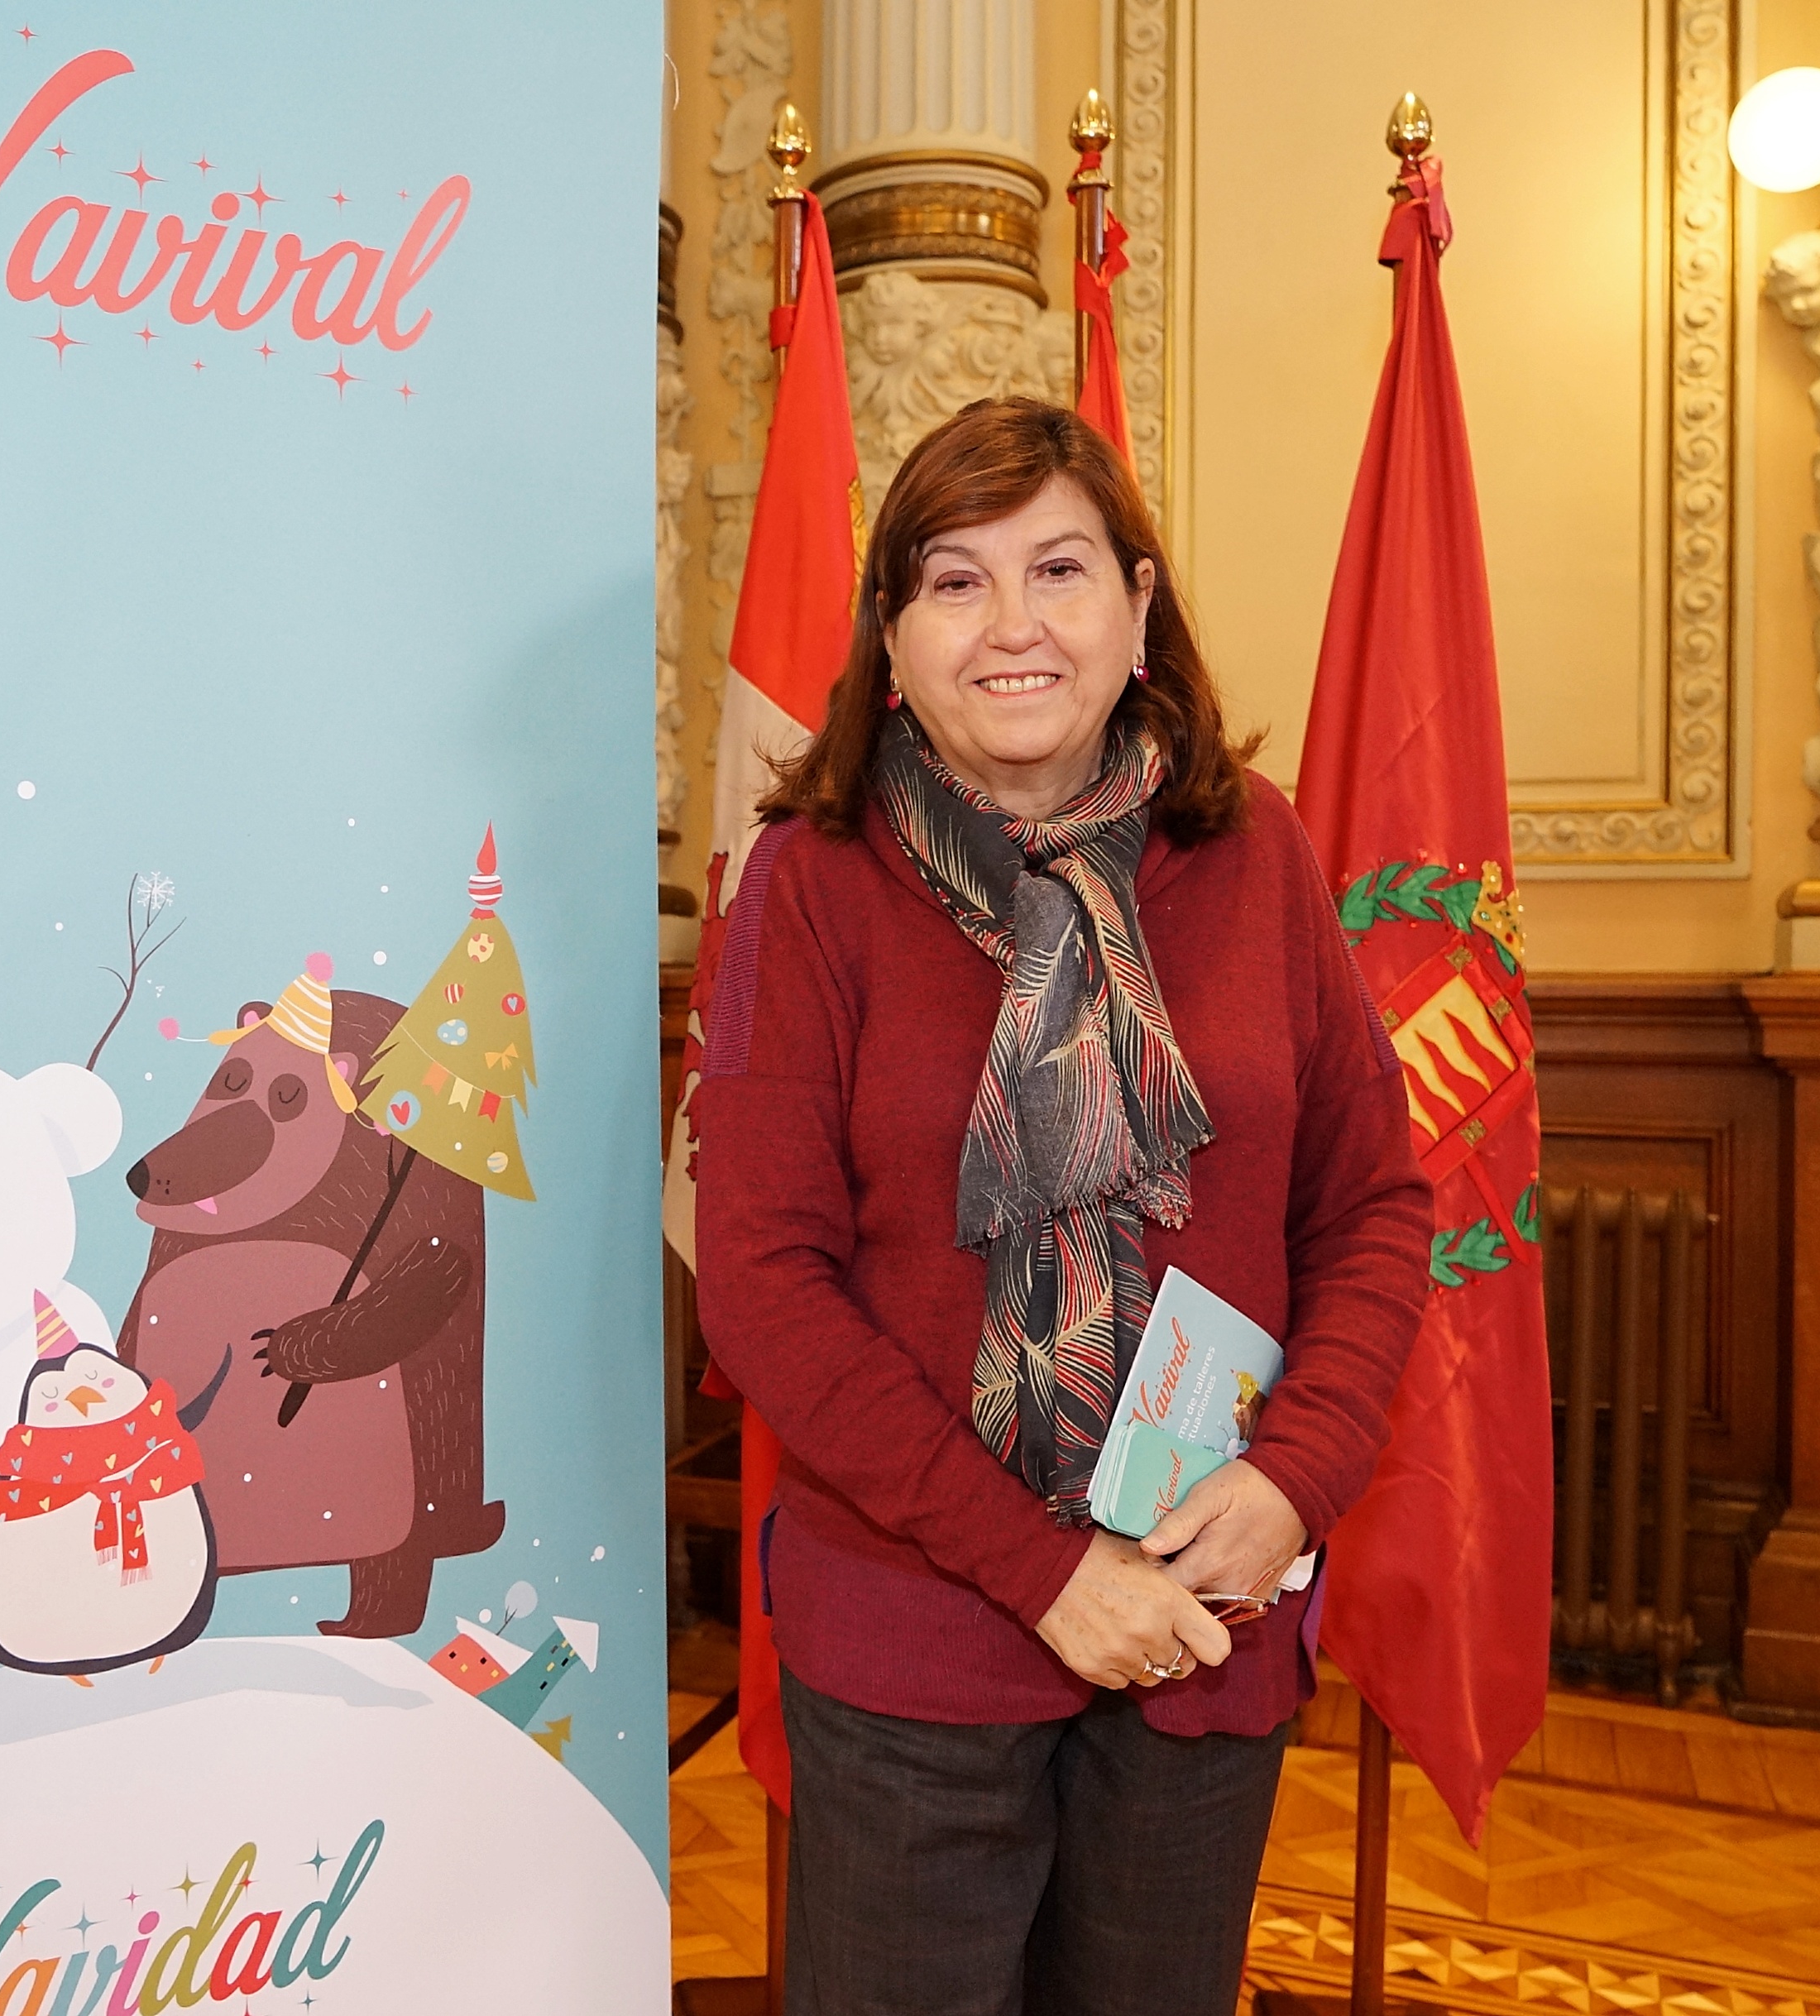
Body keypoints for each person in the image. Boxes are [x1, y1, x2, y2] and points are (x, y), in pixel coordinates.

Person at [696, 397, 1432, 2016]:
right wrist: (1040, 1571)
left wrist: (1296, 1475)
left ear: (1137, 604)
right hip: (911, 1648)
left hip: (1203, 1621)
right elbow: (760, 1285)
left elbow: (1372, 1204)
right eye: (954, 581)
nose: (1012, 624)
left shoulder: (1256, 855)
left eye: (1057, 568)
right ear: (893, 636)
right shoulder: (806, 886)